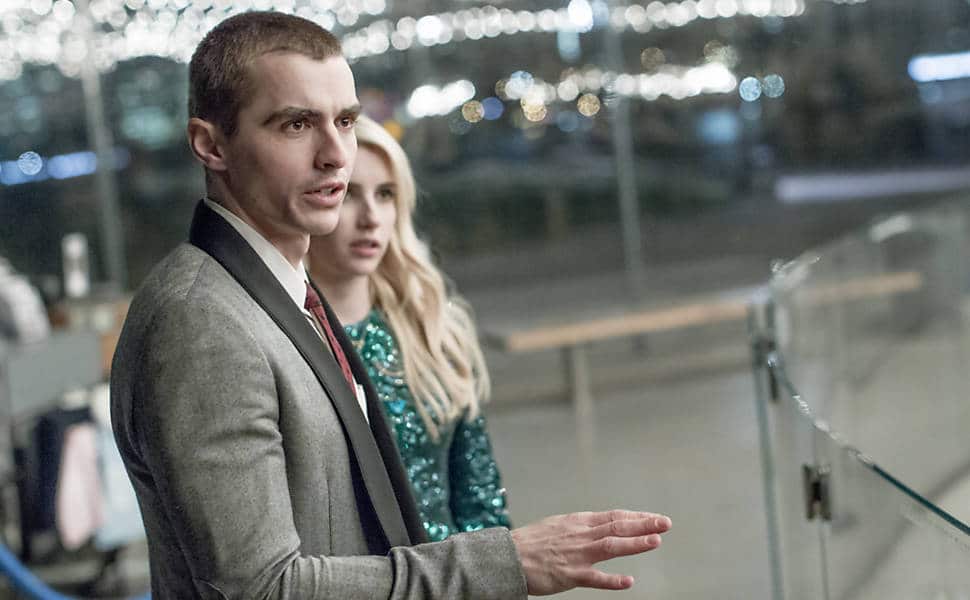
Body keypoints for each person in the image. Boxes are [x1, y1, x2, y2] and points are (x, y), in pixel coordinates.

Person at [110, 10, 671, 599]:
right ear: (211, 145)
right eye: (296, 124)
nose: (335, 154)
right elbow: (263, 589)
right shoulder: (202, 321)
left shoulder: (280, 290)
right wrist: (505, 561)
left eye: (345, 121)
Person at [307, 115, 508, 542]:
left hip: (452, 574)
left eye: (385, 194)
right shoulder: (290, 339)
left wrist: (497, 571)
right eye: (348, 194)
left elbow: (483, 505)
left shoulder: (433, 327)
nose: (371, 217)